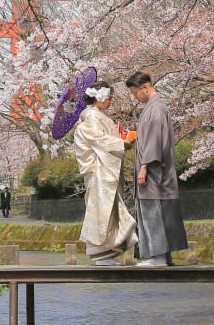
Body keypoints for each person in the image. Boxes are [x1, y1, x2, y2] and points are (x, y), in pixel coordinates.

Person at [73, 79, 139, 266]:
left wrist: (121, 137)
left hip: (103, 171)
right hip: (99, 172)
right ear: (100, 98)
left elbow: (103, 138)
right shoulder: (93, 117)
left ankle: (105, 253)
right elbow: (99, 140)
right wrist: (122, 142)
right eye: (109, 98)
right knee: (103, 211)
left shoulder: (97, 116)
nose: (110, 101)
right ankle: (101, 253)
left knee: (107, 211)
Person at [126, 71, 187, 267]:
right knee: (155, 210)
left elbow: (154, 141)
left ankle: (158, 256)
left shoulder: (157, 108)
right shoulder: (152, 108)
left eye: (136, 93)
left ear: (145, 87)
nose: (136, 97)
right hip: (153, 171)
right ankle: (161, 256)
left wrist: (144, 167)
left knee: (154, 211)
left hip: (154, 172)